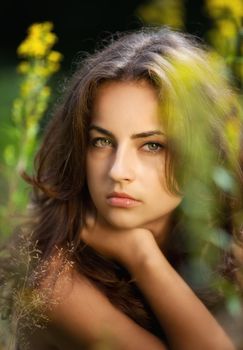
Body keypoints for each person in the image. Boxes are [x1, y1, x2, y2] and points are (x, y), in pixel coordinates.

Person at [11, 27, 243, 349]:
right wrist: (141, 255)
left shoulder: (229, 243)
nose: (118, 171)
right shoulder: (51, 275)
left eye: (152, 146)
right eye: (102, 141)